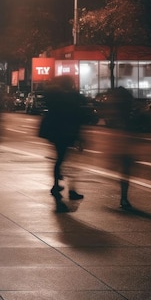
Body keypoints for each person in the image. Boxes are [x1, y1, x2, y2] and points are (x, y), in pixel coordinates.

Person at [41, 75, 85, 212]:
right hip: (68, 131)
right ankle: (69, 190)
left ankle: (56, 185)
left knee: (60, 159)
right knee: (68, 161)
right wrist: (79, 135)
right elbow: (76, 115)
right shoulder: (71, 97)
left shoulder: (56, 96)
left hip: (56, 132)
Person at [102, 86, 137, 209]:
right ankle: (124, 197)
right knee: (125, 171)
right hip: (125, 143)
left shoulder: (114, 110)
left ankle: (123, 196)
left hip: (118, 142)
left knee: (122, 170)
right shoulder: (128, 113)